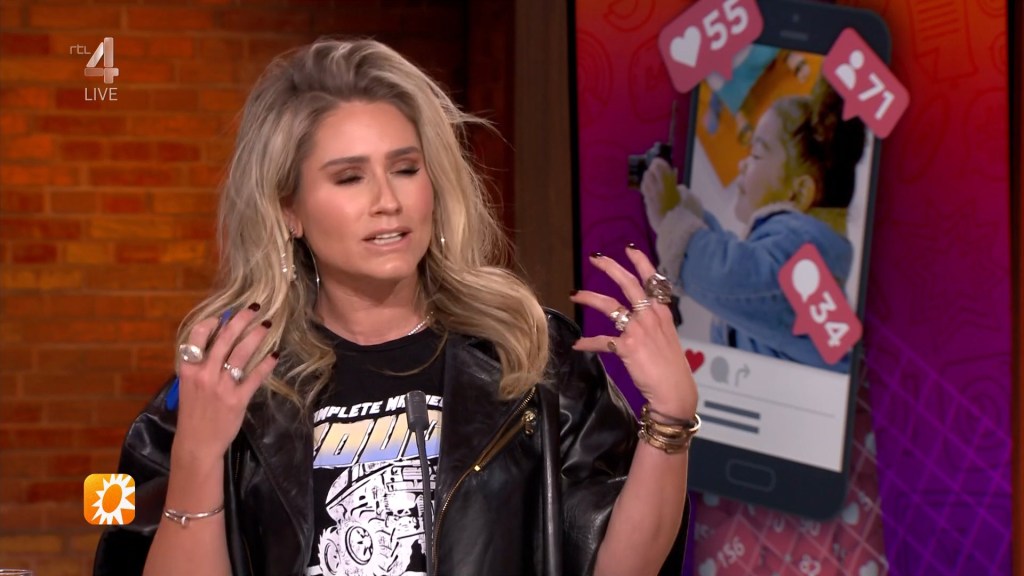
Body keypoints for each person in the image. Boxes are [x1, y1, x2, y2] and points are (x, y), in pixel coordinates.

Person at [93, 38, 700, 576]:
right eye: (349, 177)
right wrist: (197, 456)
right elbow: (119, 541)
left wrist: (671, 417)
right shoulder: (218, 384)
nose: (388, 200)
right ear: (288, 209)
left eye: (406, 168)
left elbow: (621, 567)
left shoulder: (532, 357)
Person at [642, 79, 866, 372]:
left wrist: (674, 222)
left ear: (799, 192)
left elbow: (734, 276)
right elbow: (744, 272)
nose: (742, 165)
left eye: (756, 155)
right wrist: (685, 213)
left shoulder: (804, 260)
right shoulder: (793, 256)